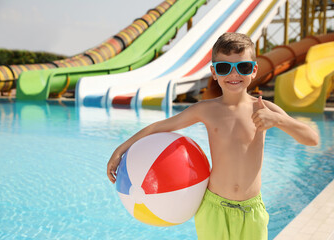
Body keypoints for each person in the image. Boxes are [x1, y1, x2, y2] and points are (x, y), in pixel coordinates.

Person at [107, 32, 319, 239]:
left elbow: (312, 139)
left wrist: (280, 120)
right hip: (214, 208)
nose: (234, 74)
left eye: (242, 67)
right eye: (224, 67)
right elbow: (159, 127)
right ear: (214, 72)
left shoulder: (264, 109)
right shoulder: (206, 110)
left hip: (251, 210)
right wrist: (120, 151)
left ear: (254, 70)